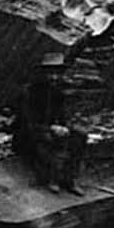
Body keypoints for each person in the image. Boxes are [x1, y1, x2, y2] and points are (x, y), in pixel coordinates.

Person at [13, 51, 86, 192]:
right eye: (50, 74)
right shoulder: (29, 92)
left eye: (57, 74)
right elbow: (27, 122)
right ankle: (50, 177)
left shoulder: (58, 93)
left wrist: (65, 127)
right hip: (28, 133)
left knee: (80, 136)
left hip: (50, 129)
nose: (54, 77)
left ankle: (70, 179)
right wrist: (50, 128)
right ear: (42, 74)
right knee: (47, 139)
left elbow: (63, 116)